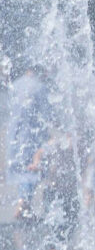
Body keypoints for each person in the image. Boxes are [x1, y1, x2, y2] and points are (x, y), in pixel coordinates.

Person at [30, 132, 80, 250]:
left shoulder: (81, 144)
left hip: (71, 195)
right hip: (54, 195)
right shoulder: (58, 142)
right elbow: (39, 152)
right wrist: (36, 163)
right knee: (56, 238)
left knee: (66, 236)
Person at [5, 66, 51, 220]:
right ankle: (23, 203)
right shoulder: (40, 87)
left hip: (15, 135)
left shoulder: (17, 84)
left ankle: (26, 206)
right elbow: (46, 114)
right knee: (32, 169)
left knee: (22, 170)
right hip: (33, 134)